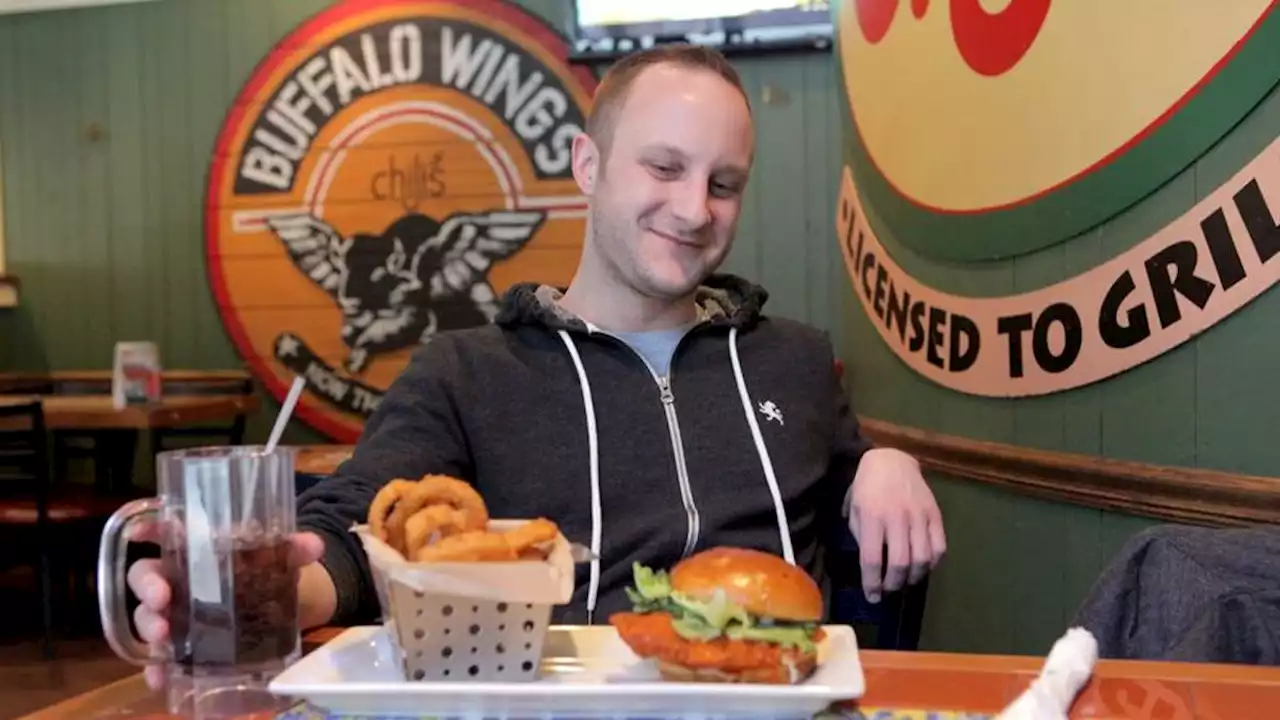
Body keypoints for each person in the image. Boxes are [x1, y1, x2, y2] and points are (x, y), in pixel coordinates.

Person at [126, 43, 946, 687]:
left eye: (724, 183)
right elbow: (355, 530)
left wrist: (884, 458)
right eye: (663, 168)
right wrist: (273, 592)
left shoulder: (794, 359)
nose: (695, 209)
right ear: (587, 165)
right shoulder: (468, 369)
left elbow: (841, 485)